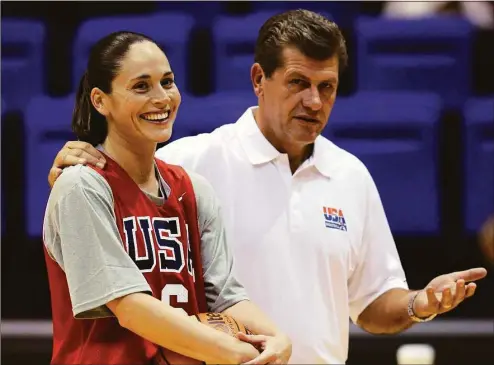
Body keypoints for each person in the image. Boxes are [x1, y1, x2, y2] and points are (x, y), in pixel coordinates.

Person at [48, 10, 487, 364]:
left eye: (327, 87)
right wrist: (70, 170)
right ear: (259, 79)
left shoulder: (350, 175)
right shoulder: (194, 160)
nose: (314, 101)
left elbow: (370, 303)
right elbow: (111, 178)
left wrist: (419, 304)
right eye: (298, 83)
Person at [43, 31, 291, 365]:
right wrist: (231, 352)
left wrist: (277, 338)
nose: (162, 98)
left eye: (168, 82)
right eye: (141, 86)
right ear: (101, 101)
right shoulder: (81, 186)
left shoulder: (194, 189)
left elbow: (226, 298)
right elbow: (129, 307)